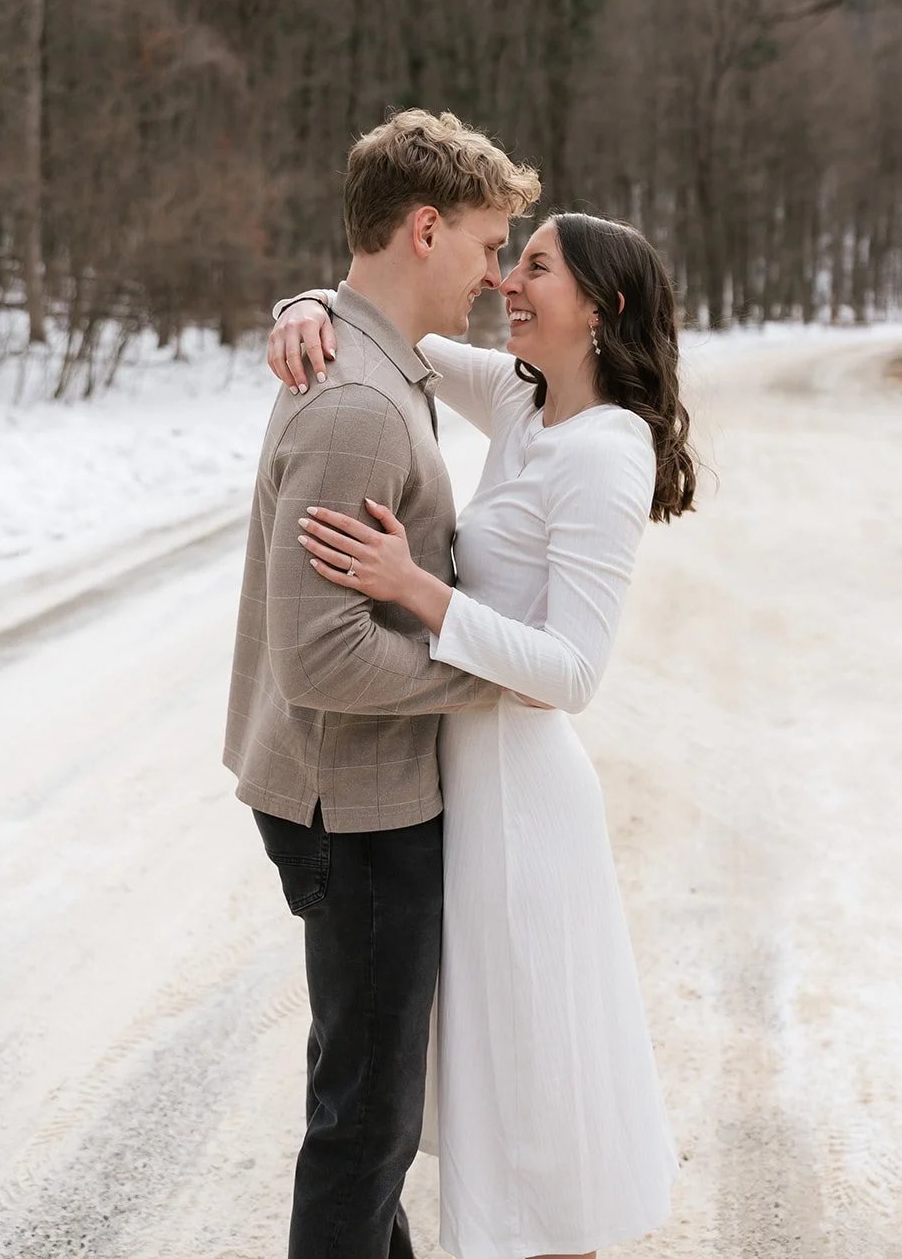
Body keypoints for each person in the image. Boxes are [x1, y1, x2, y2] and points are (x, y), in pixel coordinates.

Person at [268, 207, 696, 1259]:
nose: (509, 281)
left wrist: (420, 592)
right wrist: (305, 306)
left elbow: (571, 672)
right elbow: (390, 325)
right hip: (459, 798)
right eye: (510, 263)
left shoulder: (605, 451)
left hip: (523, 817)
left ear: (604, 307)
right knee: (501, 1118)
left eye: (536, 268)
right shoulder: (521, 398)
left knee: (540, 1131)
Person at [224, 108, 541, 1259]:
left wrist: (300, 297)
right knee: (364, 1127)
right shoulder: (356, 399)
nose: (494, 273)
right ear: (423, 228)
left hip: (352, 796)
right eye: (485, 243)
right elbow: (322, 655)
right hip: (350, 808)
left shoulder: (361, 356)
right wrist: (497, 672)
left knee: (370, 1112)